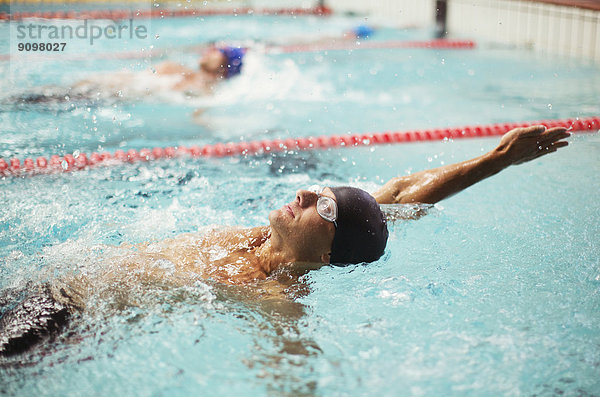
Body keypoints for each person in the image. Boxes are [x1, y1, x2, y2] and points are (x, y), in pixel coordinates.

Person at [0, 125, 570, 356]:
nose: (300, 194)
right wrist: (496, 160)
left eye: (321, 205)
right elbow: (403, 193)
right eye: (316, 190)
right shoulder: (261, 239)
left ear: (327, 252)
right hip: (48, 283)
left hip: (63, 322)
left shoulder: (277, 294)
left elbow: (290, 364)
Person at [6, 46, 246, 108]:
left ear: (224, 68)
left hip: (110, 98)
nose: (210, 50)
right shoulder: (176, 67)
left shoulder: (205, 93)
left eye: (219, 52)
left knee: (31, 100)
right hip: (100, 87)